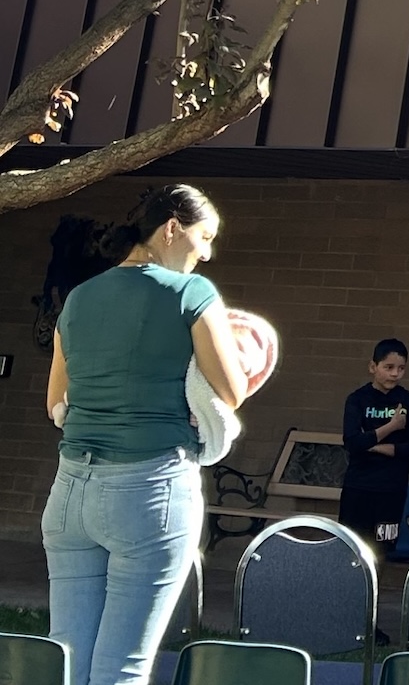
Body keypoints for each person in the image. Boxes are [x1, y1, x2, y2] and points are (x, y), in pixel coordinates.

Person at [43, 185, 253, 685]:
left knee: (66, 663)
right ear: (172, 228)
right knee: (122, 667)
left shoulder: (78, 297)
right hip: (150, 489)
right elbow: (231, 390)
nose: (208, 253)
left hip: (70, 491)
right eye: (205, 237)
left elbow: (55, 403)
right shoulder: (192, 293)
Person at [339, 337, 409, 553]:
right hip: (358, 486)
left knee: (383, 547)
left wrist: (375, 445)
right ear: (373, 367)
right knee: (352, 545)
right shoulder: (357, 399)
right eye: (389, 367)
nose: (395, 374)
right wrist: (392, 427)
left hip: (391, 488)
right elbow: (352, 442)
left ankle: (379, 576)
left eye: (401, 368)